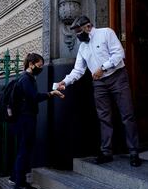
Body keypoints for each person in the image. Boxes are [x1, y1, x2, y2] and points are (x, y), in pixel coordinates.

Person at [55, 15, 142, 167]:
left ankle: (134, 152)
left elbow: (119, 54)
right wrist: (65, 82)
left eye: (79, 31)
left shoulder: (106, 33)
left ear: (88, 26)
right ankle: (106, 152)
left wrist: (103, 68)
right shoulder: (82, 47)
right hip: (99, 84)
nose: (77, 35)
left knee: (127, 115)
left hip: (117, 78)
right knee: (103, 117)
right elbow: (78, 70)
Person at [9, 53, 64, 189]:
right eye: (39, 65)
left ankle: (15, 177)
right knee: (24, 150)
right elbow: (33, 98)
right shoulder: (26, 79)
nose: (41, 68)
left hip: (23, 118)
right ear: (31, 64)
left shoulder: (26, 78)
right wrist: (51, 94)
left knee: (22, 148)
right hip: (26, 118)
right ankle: (20, 184)